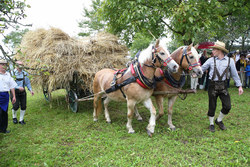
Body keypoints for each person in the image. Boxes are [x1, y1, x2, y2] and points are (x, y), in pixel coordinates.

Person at [201, 41, 243, 132]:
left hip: (223, 86)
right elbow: (201, 69)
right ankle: (211, 124)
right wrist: (194, 72)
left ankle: (219, 120)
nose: (212, 51)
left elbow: (235, 74)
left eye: (214, 49)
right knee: (212, 106)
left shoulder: (230, 61)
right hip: (212, 85)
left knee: (227, 106)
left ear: (219, 50)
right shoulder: (210, 60)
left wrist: (239, 86)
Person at [11, 61, 34, 125]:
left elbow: (28, 83)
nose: (21, 66)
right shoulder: (12, 73)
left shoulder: (25, 73)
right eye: (19, 65)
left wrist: (31, 90)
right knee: (15, 106)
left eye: (22, 65)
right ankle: (14, 117)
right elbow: (11, 83)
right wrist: (18, 87)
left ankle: (21, 120)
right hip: (14, 91)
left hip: (23, 92)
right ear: (16, 65)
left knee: (23, 106)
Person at [0, 59, 17, 133]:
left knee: (4, 112)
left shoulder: (8, 75)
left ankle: (3, 129)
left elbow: (11, 86)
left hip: (5, 96)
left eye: (5, 64)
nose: (4, 66)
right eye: (2, 64)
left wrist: (14, 96)